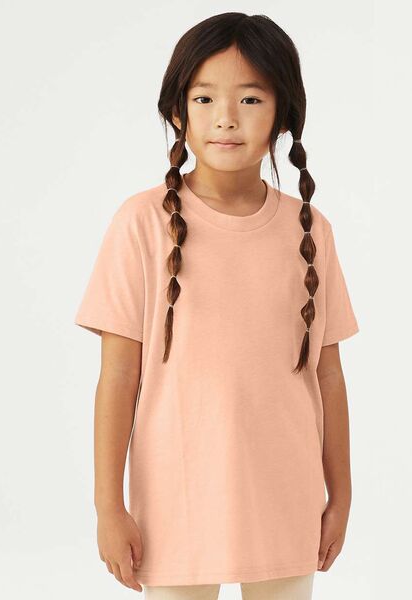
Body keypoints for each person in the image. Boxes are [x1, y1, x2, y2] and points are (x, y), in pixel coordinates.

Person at [74, 12, 360, 600]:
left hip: (286, 495)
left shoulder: (311, 231)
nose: (226, 117)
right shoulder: (141, 223)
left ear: (283, 113)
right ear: (178, 111)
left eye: (250, 99)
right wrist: (108, 506)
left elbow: (328, 376)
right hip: (173, 498)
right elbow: (118, 376)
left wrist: (342, 495)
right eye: (204, 98)